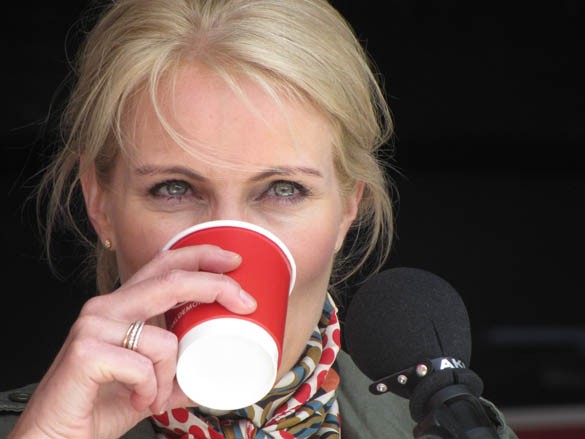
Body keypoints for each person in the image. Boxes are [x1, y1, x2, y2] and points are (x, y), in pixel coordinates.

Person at [1, 0, 517, 437]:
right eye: (174, 188)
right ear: (100, 204)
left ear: (347, 208)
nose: (227, 260)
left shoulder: (455, 429)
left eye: (283, 190)